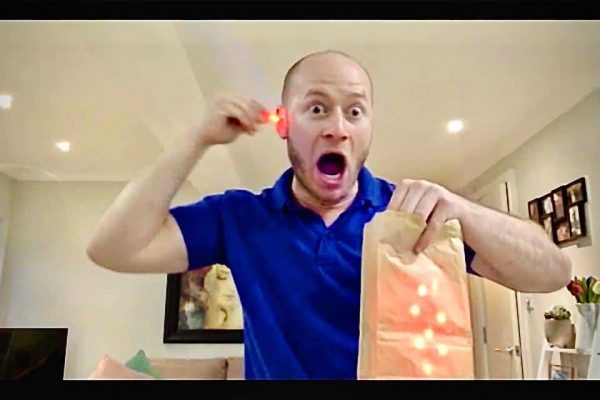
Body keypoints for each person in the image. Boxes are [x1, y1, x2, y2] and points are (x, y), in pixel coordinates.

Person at [86, 50, 572, 380]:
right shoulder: (239, 217)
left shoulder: (411, 214)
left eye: (355, 112)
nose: (338, 128)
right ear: (285, 125)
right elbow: (111, 248)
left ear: (370, 127)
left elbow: (553, 272)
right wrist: (195, 138)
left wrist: (464, 210)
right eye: (317, 109)